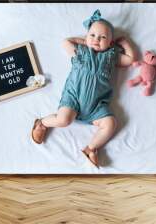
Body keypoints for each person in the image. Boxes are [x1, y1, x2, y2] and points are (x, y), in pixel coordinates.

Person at [31, 9, 136, 168]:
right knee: (64, 120)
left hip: (96, 106)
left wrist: (125, 42)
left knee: (111, 123)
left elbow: (129, 59)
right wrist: (84, 41)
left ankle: (91, 149)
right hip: (73, 98)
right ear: (86, 37)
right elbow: (65, 42)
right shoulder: (81, 51)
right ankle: (42, 123)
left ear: (110, 42)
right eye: (92, 35)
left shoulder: (111, 56)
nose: (97, 39)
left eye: (103, 37)